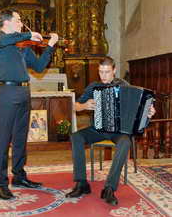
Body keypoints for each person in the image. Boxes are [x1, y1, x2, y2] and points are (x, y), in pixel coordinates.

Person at [0, 8, 58, 200]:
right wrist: (29, 34)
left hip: (24, 92)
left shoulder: (22, 46)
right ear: (6, 22)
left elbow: (39, 66)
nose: (21, 23)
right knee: (3, 140)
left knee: (20, 138)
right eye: (18, 20)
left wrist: (49, 46)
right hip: (7, 93)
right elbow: (5, 40)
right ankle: (0, 184)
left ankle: (19, 176)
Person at [65, 56, 156, 205]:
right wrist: (84, 105)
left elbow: (140, 108)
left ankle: (109, 188)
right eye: (101, 72)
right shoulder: (93, 87)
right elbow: (75, 105)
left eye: (107, 72)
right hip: (98, 129)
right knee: (76, 137)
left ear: (114, 70)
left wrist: (149, 111)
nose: (103, 76)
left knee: (125, 142)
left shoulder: (125, 86)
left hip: (119, 132)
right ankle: (81, 183)